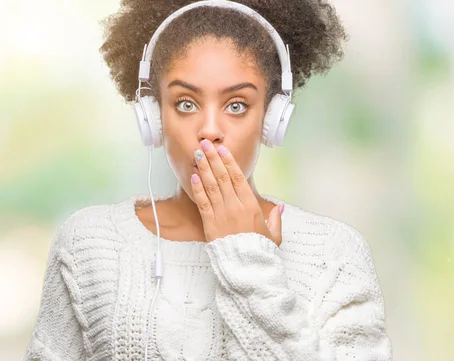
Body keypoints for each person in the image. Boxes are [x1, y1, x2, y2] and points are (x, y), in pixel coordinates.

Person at [24, 0, 393, 360]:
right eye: (186, 103)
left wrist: (249, 260)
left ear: (271, 118)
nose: (210, 130)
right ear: (154, 117)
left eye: (237, 105)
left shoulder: (335, 254)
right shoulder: (88, 243)